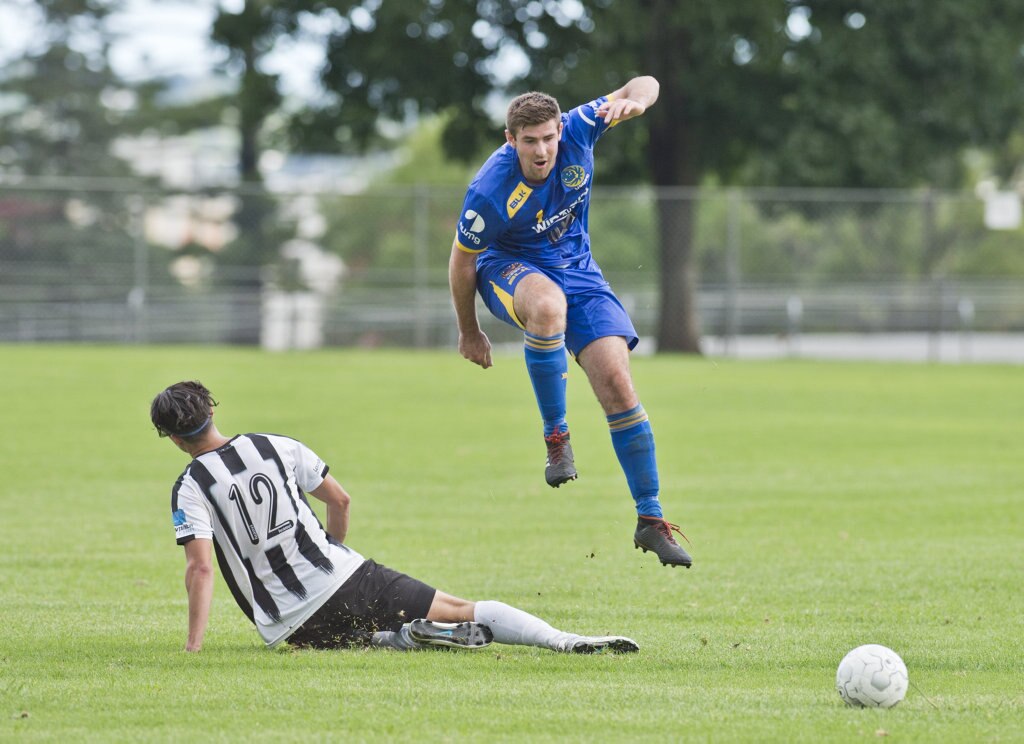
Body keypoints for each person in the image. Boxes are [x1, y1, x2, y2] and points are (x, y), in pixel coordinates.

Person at [152, 380, 638, 654]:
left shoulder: (191, 486)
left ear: (172, 438)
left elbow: (200, 567)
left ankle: (402, 638)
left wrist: (195, 648)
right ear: (213, 411)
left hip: (289, 627)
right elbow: (339, 501)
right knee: (459, 606)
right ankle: (563, 642)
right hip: (346, 577)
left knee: (355, 641)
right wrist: (336, 552)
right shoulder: (275, 446)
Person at [448, 76, 692, 567]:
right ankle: (556, 438)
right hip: (508, 268)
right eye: (529, 141)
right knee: (547, 306)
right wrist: (469, 331)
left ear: (560, 129)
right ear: (510, 141)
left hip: (580, 272)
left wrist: (637, 104)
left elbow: (645, 82)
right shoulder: (489, 191)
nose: (542, 150)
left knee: (619, 387)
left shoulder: (581, 127)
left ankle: (650, 519)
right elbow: (461, 262)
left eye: (548, 137)